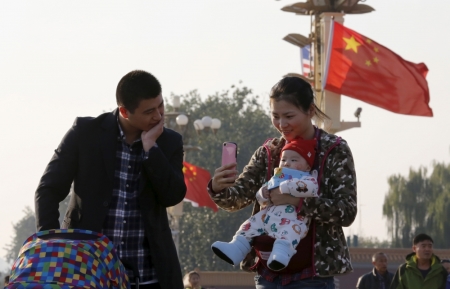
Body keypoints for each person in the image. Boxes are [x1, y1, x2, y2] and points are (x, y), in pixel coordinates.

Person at [34, 70, 187, 289]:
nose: (159, 116)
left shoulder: (169, 142)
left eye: (161, 105)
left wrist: (151, 149)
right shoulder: (85, 133)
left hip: (148, 274)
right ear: (124, 111)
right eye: (149, 111)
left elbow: (173, 195)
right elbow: (48, 190)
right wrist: (51, 248)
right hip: (87, 272)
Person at [208, 76, 357, 288]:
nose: (281, 124)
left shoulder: (334, 150)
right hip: (268, 274)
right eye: (275, 116)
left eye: (289, 116)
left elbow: (346, 211)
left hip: (313, 275)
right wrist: (218, 188)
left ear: (310, 111)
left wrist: (298, 202)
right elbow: (237, 200)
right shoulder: (269, 152)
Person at [211, 137, 319, 271]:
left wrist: (286, 187)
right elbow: (260, 197)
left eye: (294, 160)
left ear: (307, 166)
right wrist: (263, 193)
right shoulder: (277, 177)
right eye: (283, 160)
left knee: (289, 233)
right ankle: (237, 248)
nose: (286, 163)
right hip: (267, 217)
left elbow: (310, 188)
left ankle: (280, 255)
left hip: (292, 220)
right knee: (249, 225)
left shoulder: (307, 177)